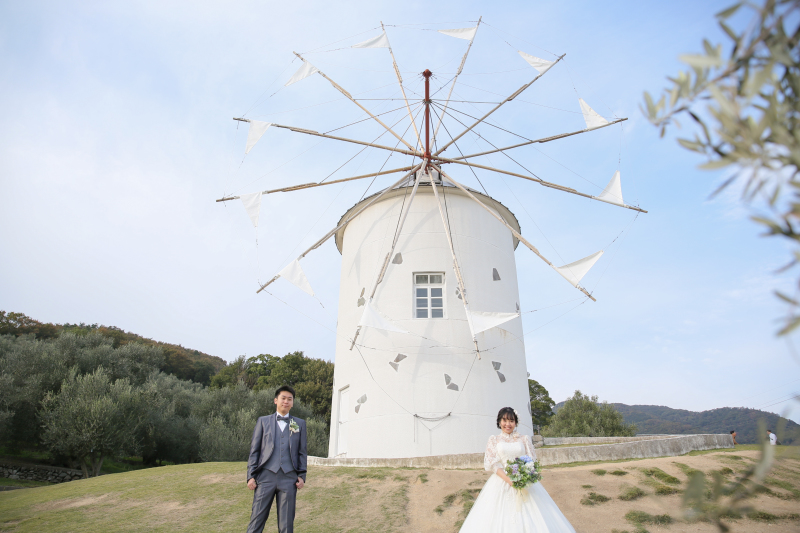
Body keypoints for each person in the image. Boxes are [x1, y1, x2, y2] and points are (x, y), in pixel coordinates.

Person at [459, 407, 576, 532]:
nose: (508, 424)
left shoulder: (524, 439)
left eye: (511, 421)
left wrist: (525, 476)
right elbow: (493, 464)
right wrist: (509, 480)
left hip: (524, 481)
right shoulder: (494, 440)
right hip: (502, 481)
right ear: (499, 422)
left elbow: (531, 460)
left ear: (516, 422)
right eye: (504, 420)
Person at [246, 385, 307, 533]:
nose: (286, 401)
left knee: (286, 525)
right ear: (276, 400)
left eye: (289, 399)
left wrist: (302, 476)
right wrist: (250, 476)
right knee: (256, 521)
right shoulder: (263, 421)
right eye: (283, 398)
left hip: (289, 478)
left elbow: (302, 452)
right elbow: (254, 451)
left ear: (292, 403)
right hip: (265, 476)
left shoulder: (299, 424)